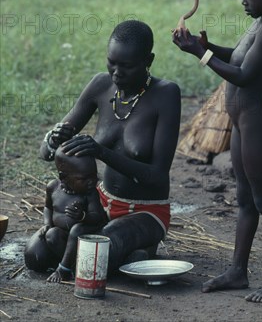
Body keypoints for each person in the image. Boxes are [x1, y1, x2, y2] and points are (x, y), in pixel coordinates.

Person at [172, 0, 262, 302]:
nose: (243, 2)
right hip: (241, 122)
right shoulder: (258, 23)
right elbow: (237, 57)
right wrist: (209, 47)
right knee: (244, 199)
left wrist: (200, 53)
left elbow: (244, 75)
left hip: (256, 122)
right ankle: (238, 271)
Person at [39, 20, 181, 273]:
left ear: (148, 60)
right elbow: (46, 153)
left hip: (145, 211)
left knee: (98, 248)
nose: (116, 73)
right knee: (38, 254)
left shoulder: (166, 94)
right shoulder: (101, 85)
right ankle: (131, 260)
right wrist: (54, 138)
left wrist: (102, 153)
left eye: (126, 66)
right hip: (99, 205)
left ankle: (134, 253)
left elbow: (157, 175)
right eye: (111, 63)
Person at [25, 146, 106, 282]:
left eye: (94, 176)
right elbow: (48, 208)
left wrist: (83, 216)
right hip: (60, 237)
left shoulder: (90, 193)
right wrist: (47, 224)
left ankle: (67, 268)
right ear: (63, 177)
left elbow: (98, 217)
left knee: (76, 229)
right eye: (84, 178)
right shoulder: (53, 188)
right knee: (34, 256)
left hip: (83, 236)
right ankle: (60, 261)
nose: (92, 181)